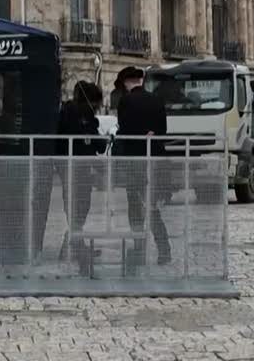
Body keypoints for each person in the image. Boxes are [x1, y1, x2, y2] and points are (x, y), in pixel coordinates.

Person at [116, 66, 171, 268]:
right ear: (141, 80)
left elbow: (124, 129)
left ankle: (139, 248)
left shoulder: (126, 101)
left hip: (134, 161)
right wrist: (152, 135)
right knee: (153, 208)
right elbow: (163, 129)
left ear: (126, 82)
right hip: (155, 160)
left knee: (135, 208)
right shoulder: (156, 100)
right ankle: (164, 250)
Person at [56, 81, 107, 273]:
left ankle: (73, 245)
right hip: (74, 166)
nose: (97, 107)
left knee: (78, 206)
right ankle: (75, 247)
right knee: (78, 205)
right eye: (95, 103)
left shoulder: (74, 114)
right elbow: (94, 144)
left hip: (75, 167)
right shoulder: (78, 115)